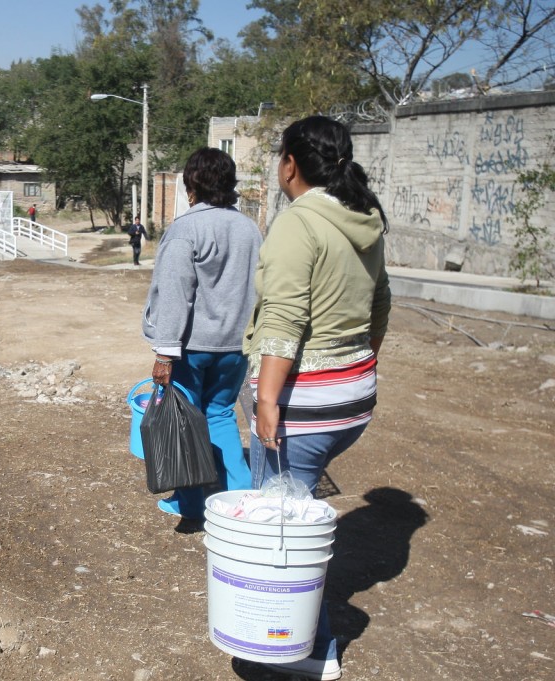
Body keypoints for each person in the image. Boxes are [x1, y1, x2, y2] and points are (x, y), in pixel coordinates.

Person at [245, 115, 390, 681]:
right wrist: (359, 368)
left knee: (282, 531)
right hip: (352, 399)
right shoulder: (366, 217)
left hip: (303, 405)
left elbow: (283, 319)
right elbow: (381, 305)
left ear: (290, 164)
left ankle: (304, 648)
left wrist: (266, 403)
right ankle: (295, 638)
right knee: (294, 515)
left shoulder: (298, 222)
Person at [142, 147, 262, 519]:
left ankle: (189, 504)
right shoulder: (249, 229)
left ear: (191, 184)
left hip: (191, 348)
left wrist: (164, 353)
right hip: (236, 345)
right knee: (220, 414)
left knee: (185, 424)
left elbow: (176, 294)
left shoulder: (186, 229)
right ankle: (242, 498)